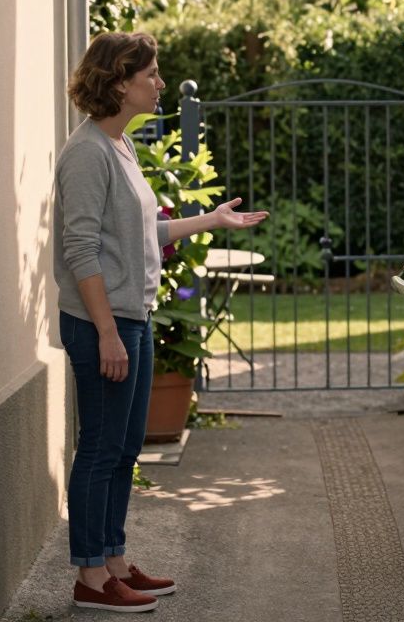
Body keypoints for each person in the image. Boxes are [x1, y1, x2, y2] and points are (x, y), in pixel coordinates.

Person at [55, 32, 268, 612]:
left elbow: (140, 233)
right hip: (105, 322)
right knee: (100, 448)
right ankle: (91, 578)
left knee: (125, 449)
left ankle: (115, 559)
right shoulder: (86, 153)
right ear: (120, 81)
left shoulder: (119, 146)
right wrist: (104, 331)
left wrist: (212, 221)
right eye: (151, 73)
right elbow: (80, 251)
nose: (161, 83)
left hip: (132, 317)